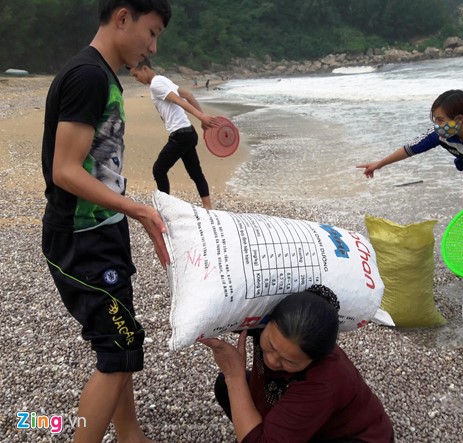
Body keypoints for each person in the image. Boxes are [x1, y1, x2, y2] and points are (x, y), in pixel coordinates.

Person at [41, 1, 172, 441]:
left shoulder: (100, 75)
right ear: (122, 17)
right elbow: (65, 169)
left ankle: (131, 434)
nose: (152, 47)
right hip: (81, 240)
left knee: (121, 339)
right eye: (150, 33)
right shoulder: (88, 77)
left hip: (102, 229)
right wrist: (136, 209)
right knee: (120, 346)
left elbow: (96, 169)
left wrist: (125, 212)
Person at [199, 285, 395, 442]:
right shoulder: (263, 325)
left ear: (313, 359)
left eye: (289, 361)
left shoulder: (324, 379)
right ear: (267, 322)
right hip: (295, 412)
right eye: (270, 345)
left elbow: (235, 379)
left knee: (232, 384)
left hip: (352, 436)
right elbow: (219, 308)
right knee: (224, 386)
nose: (272, 360)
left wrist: (235, 377)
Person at [357, 89, 463, 208]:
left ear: (459, 119)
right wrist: (379, 164)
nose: (436, 125)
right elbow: (409, 149)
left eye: (440, 120)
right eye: (434, 119)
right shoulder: (439, 134)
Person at [130, 59, 219, 209]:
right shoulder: (163, 79)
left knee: (159, 170)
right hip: (189, 133)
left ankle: (165, 208)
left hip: (180, 135)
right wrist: (202, 118)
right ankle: (208, 208)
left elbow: (179, 100)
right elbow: (189, 95)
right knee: (195, 172)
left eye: (136, 74)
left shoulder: (156, 84)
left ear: (144, 68)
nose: (136, 79)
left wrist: (201, 117)